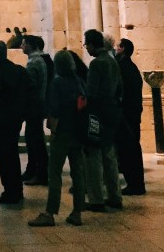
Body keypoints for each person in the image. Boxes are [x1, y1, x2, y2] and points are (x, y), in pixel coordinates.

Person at [29, 48, 87, 227]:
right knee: (78, 173)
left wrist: (52, 128)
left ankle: (50, 213)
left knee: (54, 173)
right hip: (77, 131)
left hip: (62, 131)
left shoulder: (57, 82)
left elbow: (54, 108)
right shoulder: (79, 81)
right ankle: (77, 212)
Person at [82, 28, 124, 212]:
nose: (86, 49)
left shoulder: (97, 64)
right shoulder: (113, 61)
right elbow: (120, 87)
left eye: (86, 45)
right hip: (112, 110)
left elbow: (91, 92)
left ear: (91, 44)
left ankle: (97, 199)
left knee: (93, 156)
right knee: (110, 155)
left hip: (97, 113)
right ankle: (115, 196)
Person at [0, 39, 28, 205]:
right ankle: (17, 189)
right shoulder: (19, 71)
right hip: (15, 120)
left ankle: (10, 191)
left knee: (4, 156)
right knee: (12, 153)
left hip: (1, 120)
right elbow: (25, 94)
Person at [115, 37, 146, 195]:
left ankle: (135, 184)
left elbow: (123, 92)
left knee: (129, 149)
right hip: (131, 113)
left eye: (117, 47)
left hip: (127, 114)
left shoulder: (124, 67)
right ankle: (135, 183)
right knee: (130, 149)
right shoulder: (129, 67)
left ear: (122, 49)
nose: (115, 49)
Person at [21, 34, 48, 185]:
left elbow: (30, 87)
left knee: (35, 140)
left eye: (23, 44)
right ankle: (34, 171)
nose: (21, 46)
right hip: (38, 105)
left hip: (34, 106)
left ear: (30, 45)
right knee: (35, 139)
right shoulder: (40, 60)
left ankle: (40, 174)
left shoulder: (33, 62)